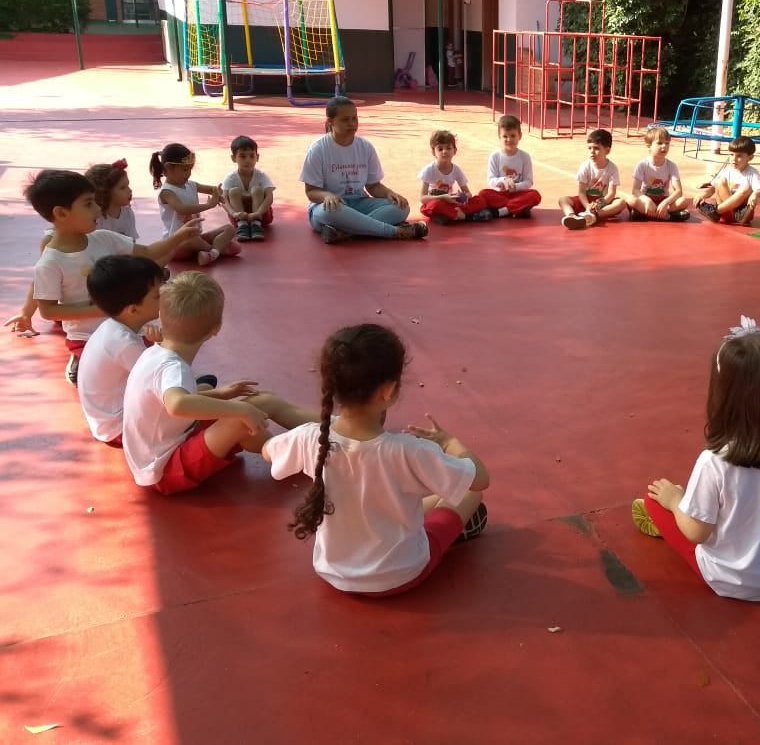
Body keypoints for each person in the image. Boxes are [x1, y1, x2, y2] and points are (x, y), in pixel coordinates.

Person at [264, 324, 490, 595]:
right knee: (469, 496)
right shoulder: (409, 451)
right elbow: (480, 479)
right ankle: (451, 530)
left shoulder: (311, 438)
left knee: (394, 499)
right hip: (400, 574)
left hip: (333, 571)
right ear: (388, 391)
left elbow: (268, 451)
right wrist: (450, 443)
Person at [632, 317, 760, 600]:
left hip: (726, 579)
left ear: (721, 396)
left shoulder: (714, 461)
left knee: (654, 501)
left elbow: (696, 533)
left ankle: (679, 504)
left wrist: (674, 501)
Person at [121, 272, 318, 495]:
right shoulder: (173, 368)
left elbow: (173, 404)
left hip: (173, 441)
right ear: (216, 328)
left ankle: (331, 427)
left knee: (264, 401)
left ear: (161, 315)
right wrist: (239, 408)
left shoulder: (155, 354)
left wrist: (222, 395)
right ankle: (293, 455)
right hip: (164, 470)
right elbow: (177, 405)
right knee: (240, 419)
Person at [25, 170, 200, 384]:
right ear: (61, 213)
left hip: (129, 328)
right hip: (88, 337)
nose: (98, 209)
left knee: (160, 358)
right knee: (131, 373)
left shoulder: (103, 238)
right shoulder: (50, 262)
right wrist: (102, 309)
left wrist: (179, 236)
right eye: (89, 204)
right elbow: (48, 310)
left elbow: (147, 252)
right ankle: (79, 358)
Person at [77, 255, 216, 446]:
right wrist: (165, 344)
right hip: (119, 428)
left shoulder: (115, 328)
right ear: (133, 310)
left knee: (202, 387)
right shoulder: (123, 343)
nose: (166, 296)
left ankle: (200, 391)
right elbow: (159, 376)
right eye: (157, 296)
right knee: (198, 395)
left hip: (106, 420)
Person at [6, 159, 148, 337]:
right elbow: (42, 282)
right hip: (79, 311)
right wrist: (27, 312)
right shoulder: (58, 241)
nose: (129, 191)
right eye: (122, 187)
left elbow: (136, 256)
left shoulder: (121, 217)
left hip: (106, 300)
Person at [300, 96, 427, 243]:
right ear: (330, 122)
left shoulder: (365, 147)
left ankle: (345, 232)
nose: (352, 124)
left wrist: (390, 194)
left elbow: (373, 186)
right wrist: (327, 196)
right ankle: (394, 231)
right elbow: (311, 191)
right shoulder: (318, 149)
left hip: (359, 203)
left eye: (355, 118)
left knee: (402, 208)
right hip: (331, 208)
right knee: (329, 213)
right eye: (345, 120)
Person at [149, 142, 241, 266]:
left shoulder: (190, 185)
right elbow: (183, 209)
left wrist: (217, 192)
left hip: (197, 237)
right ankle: (217, 250)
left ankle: (209, 253)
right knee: (193, 240)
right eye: (185, 169)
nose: (188, 173)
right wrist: (209, 205)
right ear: (169, 167)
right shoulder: (167, 192)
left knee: (229, 229)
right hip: (176, 244)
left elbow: (211, 189)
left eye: (190, 169)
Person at [417, 129, 494, 225]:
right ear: (434, 152)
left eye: (448, 148)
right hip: (435, 202)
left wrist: (462, 198)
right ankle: (466, 217)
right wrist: (443, 197)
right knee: (435, 205)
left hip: (451, 203)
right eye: (440, 149)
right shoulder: (429, 170)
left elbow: (468, 193)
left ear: (454, 151)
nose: (444, 151)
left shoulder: (456, 170)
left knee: (480, 200)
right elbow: (422, 198)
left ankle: (449, 215)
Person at [558, 128, 627, 229]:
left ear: (607, 151)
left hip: (602, 204)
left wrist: (599, 204)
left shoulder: (612, 168)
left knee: (621, 203)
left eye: (596, 148)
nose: (592, 152)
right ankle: (571, 216)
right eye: (589, 148)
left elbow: (611, 193)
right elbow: (581, 192)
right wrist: (587, 206)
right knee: (563, 200)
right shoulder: (585, 166)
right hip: (585, 201)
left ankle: (594, 215)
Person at [477, 114, 542, 218]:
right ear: (499, 137)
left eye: (512, 136)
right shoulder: (495, 156)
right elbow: (490, 180)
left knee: (535, 195)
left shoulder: (525, 157)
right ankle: (517, 208)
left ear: (519, 136)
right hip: (501, 194)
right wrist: (502, 180)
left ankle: (503, 211)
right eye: (505, 136)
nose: (509, 140)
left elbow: (528, 182)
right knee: (483, 194)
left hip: (518, 194)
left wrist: (516, 187)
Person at [694, 136, 760, 226]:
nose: (734, 159)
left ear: (750, 157)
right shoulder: (727, 171)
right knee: (720, 181)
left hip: (742, 213)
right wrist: (702, 195)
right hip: (726, 213)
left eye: (739, 156)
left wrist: (755, 194)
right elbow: (713, 189)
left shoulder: (752, 172)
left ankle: (716, 211)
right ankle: (721, 212)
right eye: (731, 155)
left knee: (747, 188)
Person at [623, 127, 692, 222]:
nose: (664, 146)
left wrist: (665, 202)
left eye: (667, 143)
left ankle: (646, 214)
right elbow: (635, 190)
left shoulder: (671, 166)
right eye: (659, 143)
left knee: (684, 200)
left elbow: (678, 191)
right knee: (631, 200)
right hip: (646, 200)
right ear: (649, 145)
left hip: (663, 200)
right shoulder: (642, 164)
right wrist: (647, 200)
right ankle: (667, 216)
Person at [221, 135, 275, 242]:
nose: (247, 160)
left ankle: (256, 225)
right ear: (233, 158)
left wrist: (258, 213)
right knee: (233, 191)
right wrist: (234, 213)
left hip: (261, 216)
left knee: (257, 190)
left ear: (257, 157)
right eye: (242, 156)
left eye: (251, 156)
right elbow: (224, 199)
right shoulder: (230, 178)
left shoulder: (262, 176)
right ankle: (242, 226)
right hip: (239, 217)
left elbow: (269, 197)